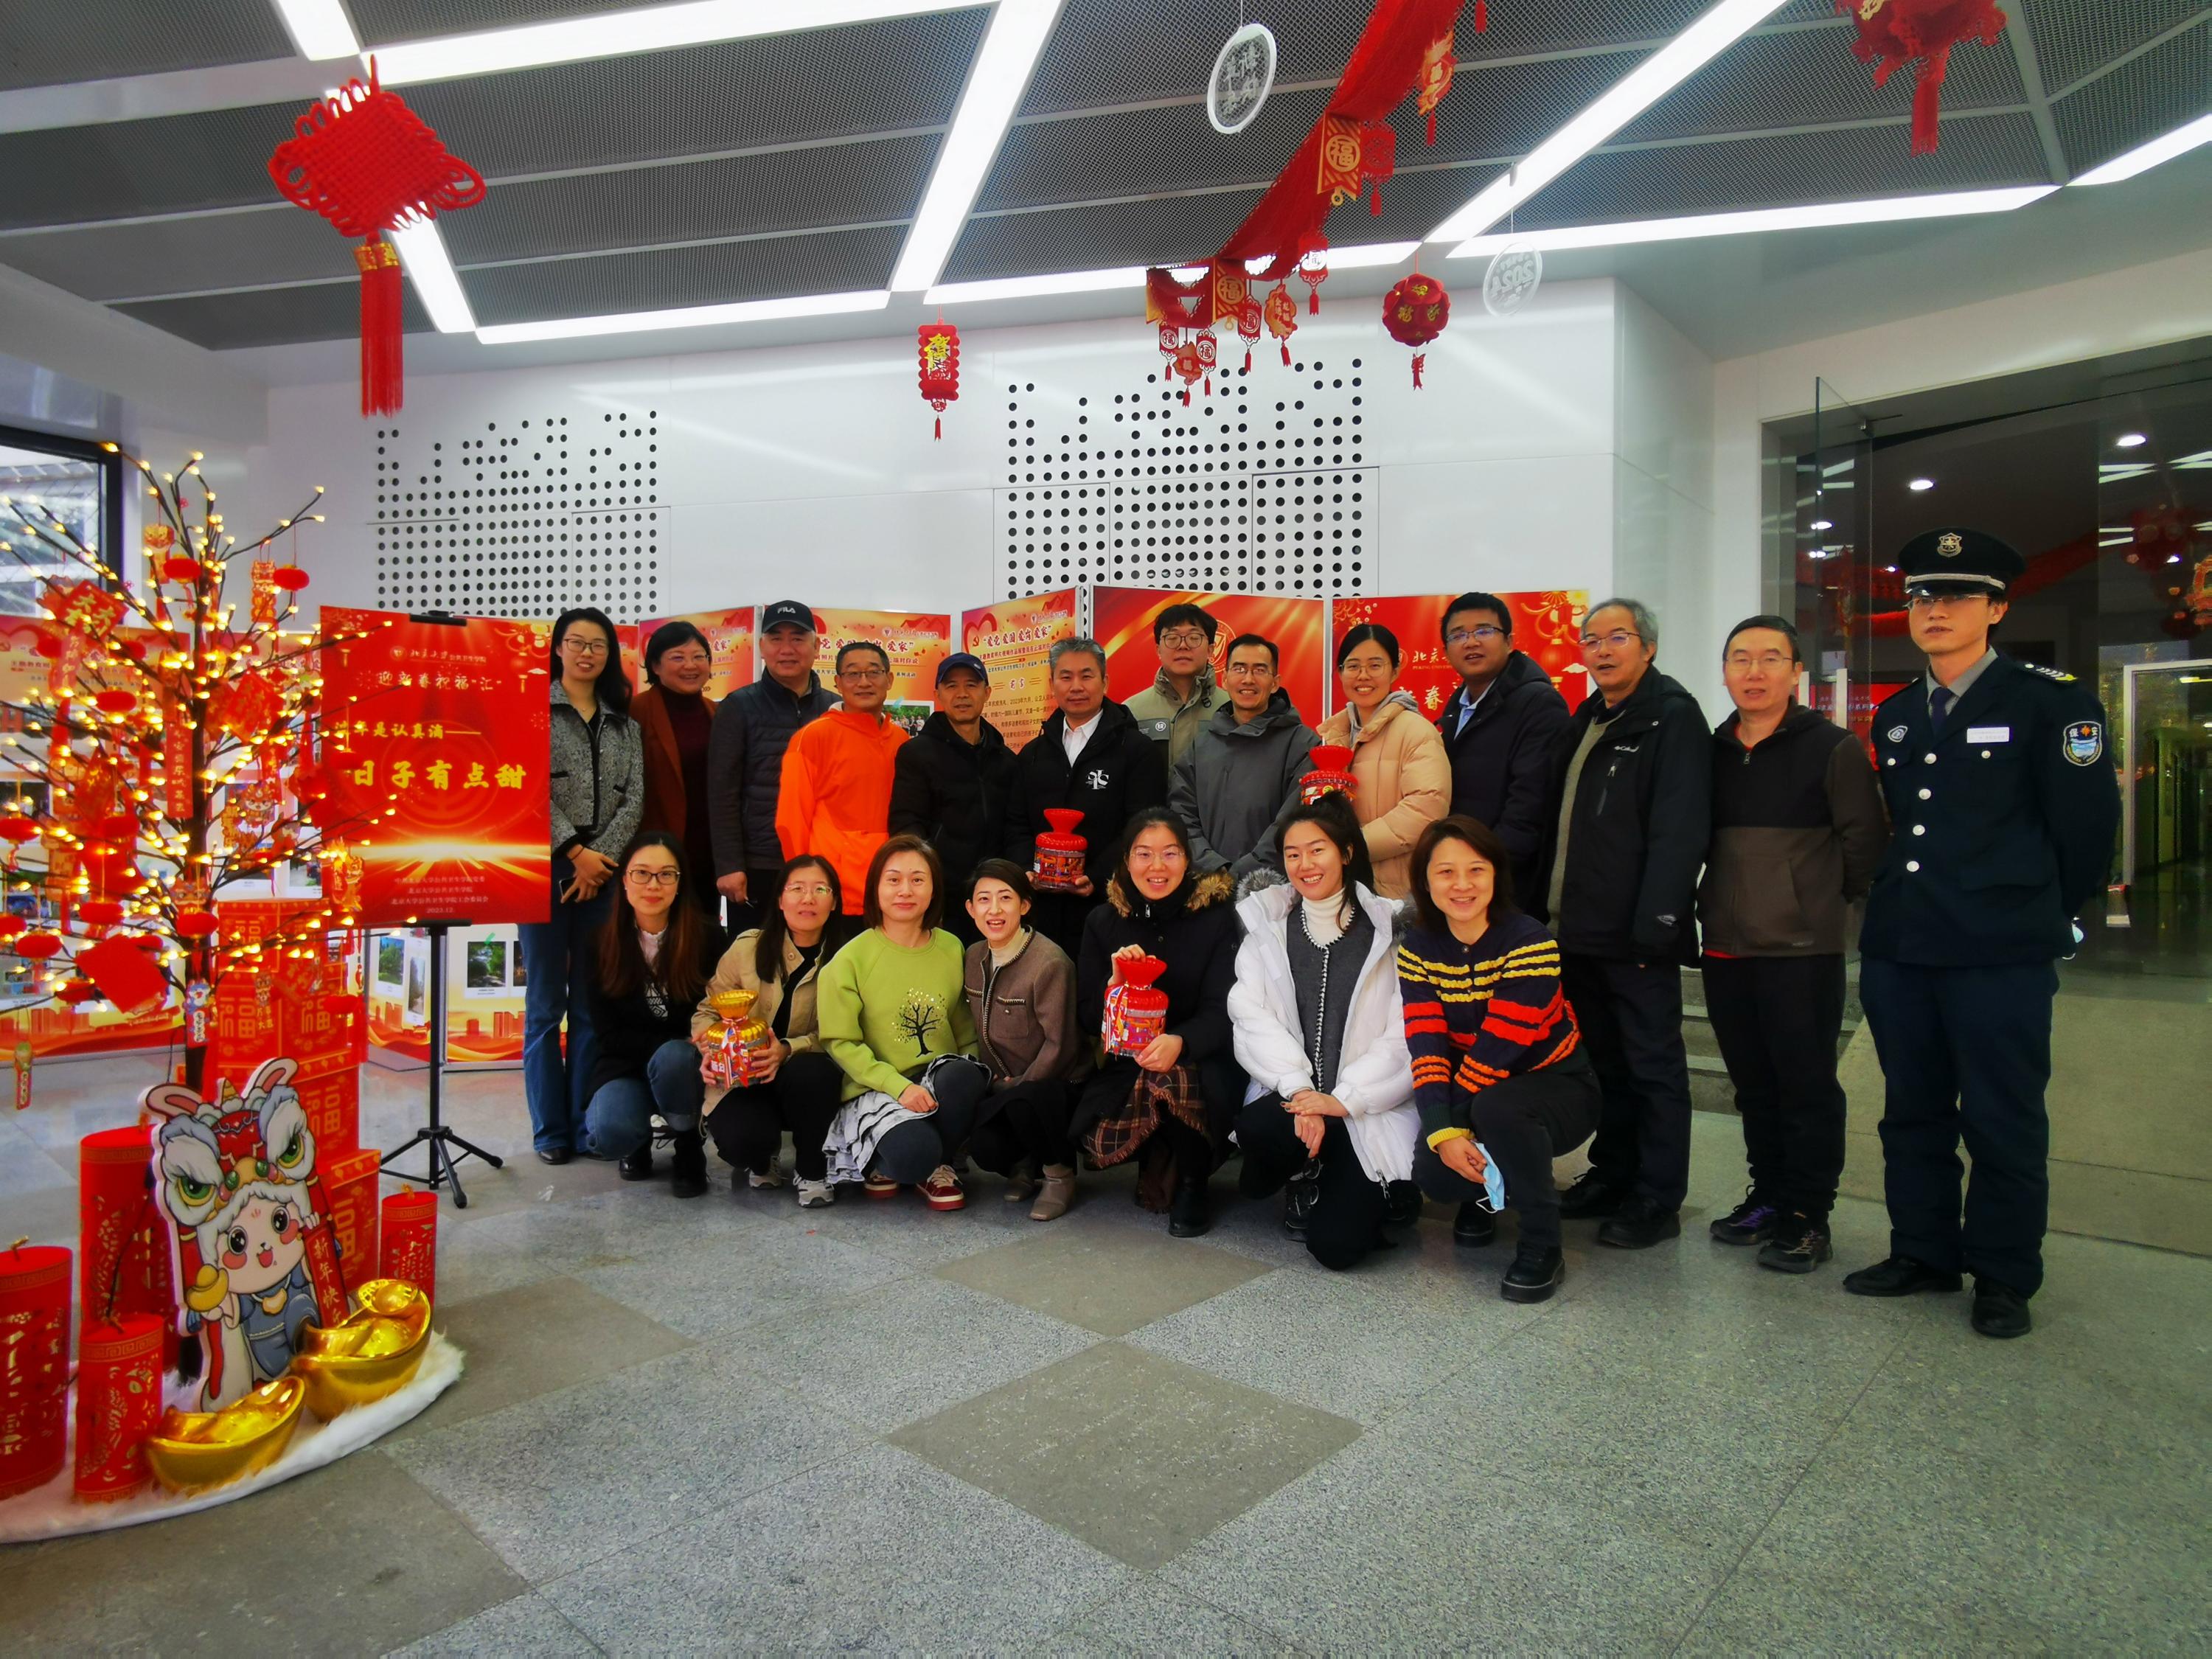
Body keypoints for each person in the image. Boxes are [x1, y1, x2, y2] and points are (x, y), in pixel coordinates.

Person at [1844, 529, 2118, 1340]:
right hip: (1905, 947)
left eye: (1958, 595)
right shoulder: (1897, 715)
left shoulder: (2051, 703)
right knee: (1912, 1111)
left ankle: (2002, 1272)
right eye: (1923, 596)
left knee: (2003, 1116)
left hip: (2001, 950)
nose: (1936, 610)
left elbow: (2086, 828)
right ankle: (1923, 1251)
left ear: (1997, 608)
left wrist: (2047, 916)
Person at [1700, 616, 1890, 1275]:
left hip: (1801, 951)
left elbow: (1865, 845)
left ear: (1796, 672)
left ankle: (1809, 1215)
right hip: (1725, 946)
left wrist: (1818, 906)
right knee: (1753, 1085)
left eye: (1770, 658)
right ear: (1725, 671)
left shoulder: (1832, 748)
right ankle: (1769, 1196)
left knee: (1805, 1087)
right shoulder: (1712, 750)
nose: (1754, 672)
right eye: (1741, 658)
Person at [1533, 597, 1711, 1251]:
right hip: (1577, 930)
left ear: (1649, 647)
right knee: (1606, 1062)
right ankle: (1613, 1173)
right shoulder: (1589, 717)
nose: (1603, 650)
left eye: (1618, 638)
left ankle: (1657, 1196)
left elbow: (1679, 831)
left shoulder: (1672, 717)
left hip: (1636, 934)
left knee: (1653, 1067)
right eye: (1592, 639)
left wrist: (1658, 924)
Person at [1399, 816, 1601, 1302]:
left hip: (1558, 1086)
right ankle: (1486, 1196)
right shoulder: (1417, 949)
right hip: (1478, 1088)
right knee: (1433, 1173)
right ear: (1425, 881)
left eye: (1476, 870)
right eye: (1446, 872)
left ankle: (1542, 1242)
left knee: (1498, 1109)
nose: (1462, 885)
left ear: (1496, 874)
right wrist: (1442, 1133)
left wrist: (1452, 1126)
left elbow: (1498, 1048)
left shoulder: (1530, 941)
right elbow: (1426, 1045)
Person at [1228, 793, 1420, 1270]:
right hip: (1295, 1099)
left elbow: (1404, 1035)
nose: (1305, 864)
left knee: (1336, 1248)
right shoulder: (1269, 928)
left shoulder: (1389, 931)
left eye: (1318, 850)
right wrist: (1300, 1092)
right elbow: (1251, 1017)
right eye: (1293, 854)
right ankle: (1303, 1171)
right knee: (1257, 1127)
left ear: (1346, 853)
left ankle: (1371, 1182)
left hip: (1364, 1104)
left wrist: (1342, 1100)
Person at [1074, 811, 1244, 1238]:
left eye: (1170, 854)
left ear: (1187, 859)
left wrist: (1180, 1041)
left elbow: (1224, 1009)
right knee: (1139, 1083)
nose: (1157, 866)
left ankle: (1193, 1183)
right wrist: (1114, 987)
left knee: (1171, 1076)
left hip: (1201, 1060)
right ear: (1126, 860)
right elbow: (1087, 1018)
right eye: (1143, 854)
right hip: (1129, 1066)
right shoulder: (1103, 922)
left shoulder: (1216, 918)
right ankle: (1162, 1158)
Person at [520, 607, 644, 1165]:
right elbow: (526, 787)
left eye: (598, 644)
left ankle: (582, 1122)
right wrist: (574, 853)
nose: (587, 653)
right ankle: (550, 1131)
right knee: (545, 1007)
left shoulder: (625, 724)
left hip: (606, 876)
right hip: (546, 868)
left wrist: (600, 863)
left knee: (593, 1005)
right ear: (558, 648)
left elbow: (634, 800)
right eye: (577, 642)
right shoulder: (533, 712)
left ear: (610, 653)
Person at [815, 835, 990, 1210]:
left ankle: (939, 1164)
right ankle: (893, 1157)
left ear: (934, 889)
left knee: (966, 1074)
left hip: (937, 1082)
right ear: (875, 889)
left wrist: (974, 1080)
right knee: (912, 1154)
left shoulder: (951, 948)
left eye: (918, 879)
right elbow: (840, 1043)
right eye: (893, 880)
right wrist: (898, 1087)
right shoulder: (849, 960)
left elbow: (963, 1026)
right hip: (878, 1087)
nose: (905, 890)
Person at [697, 854, 858, 1208]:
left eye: (820, 889)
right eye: (796, 888)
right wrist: (712, 1049)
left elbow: (845, 1033)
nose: (808, 898)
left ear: (834, 902)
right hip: (743, 1077)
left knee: (814, 1072)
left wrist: (787, 1048)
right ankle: (761, 1156)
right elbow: (708, 1010)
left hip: (803, 1078)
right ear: (781, 900)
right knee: (743, 1142)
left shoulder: (849, 959)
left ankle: (812, 1170)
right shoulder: (747, 948)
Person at [1004, 637, 1169, 957]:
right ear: (1052, 684)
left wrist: (1096, 876)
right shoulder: (1033, 754)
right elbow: (1015, 822)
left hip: (1111, 905)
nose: (1076, 686)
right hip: (1041, 909)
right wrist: (1027, 868)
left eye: (1087, 675)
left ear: (1105, 681)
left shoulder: (1137, 751)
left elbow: (1142, 827)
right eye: (1066, 677)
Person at [579, 835, 714, 1197]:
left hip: (683, 1066)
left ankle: (688, 1144)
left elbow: (714, 1014)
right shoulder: (598, 943)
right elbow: (608, 1035)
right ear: (624, 880)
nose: (654, 885)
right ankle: (636, 1142)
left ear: (680, 883)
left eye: (666, 874)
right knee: (609, 1134)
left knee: (674, 1058)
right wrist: (670, 1044)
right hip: (624, 1064)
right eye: (642, 873)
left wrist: (685, 1046)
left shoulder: (708, 938)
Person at [960, 860, 1084, 1221]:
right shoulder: (973, 956)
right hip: (1003, 1086)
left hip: (1055, 1086)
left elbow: (1061, 1046)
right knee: (984, 1146)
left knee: (1027, 1101)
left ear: (1024, 905)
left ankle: (1059, 1174)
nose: (994, 910)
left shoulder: (1049, 963)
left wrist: (1018, 1086)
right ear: (970, 908)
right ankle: (1024, 1164)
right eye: (984, 899)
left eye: (1005, 898)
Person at [707, 599, 837, 928]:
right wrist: (729, 864)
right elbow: (721, 793)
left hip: (823, 863)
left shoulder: (836, 709)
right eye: (776, 638)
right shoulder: (738, 707)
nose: (787, 649)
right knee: (755, 954)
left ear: (816, 647)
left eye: (798, 638)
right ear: (762, 647)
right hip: (759, 863)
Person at [1434, 591, 1571, 900]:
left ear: (1509, 641)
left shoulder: (1539, 704)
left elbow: (1529, 811)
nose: (1471, 642)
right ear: (1446, 650)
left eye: (1484, 631)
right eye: (1459, 635)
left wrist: (1482, 874)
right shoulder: (1457, 706)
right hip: (1461, 880)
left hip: (1505, 886)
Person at [1312, 623, 1450, 899]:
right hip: (1343, 885)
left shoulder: (1416, 730)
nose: (1363, 675)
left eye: (1375, 666)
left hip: (1396, 891)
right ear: (1340, 672)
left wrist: (1353, 846)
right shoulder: (1334, 736)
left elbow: (1426, 807)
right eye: (1353, 666)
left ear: (1395, 671)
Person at [889, 653, 1017, 943]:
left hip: (994, 897)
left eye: (971, 685)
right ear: (938, 694)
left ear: (987, 692)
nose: (962, 694)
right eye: (951, 686)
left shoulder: (1006, 760)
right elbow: (906, 824)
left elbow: (1015, 825)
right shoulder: (916, 754)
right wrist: (925, 882)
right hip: (941, 896)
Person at [1170, 632, 1319, 880]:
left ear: (1275, 683)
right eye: (1239, 669)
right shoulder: (1202, 746)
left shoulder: (1302, 744)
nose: (1248, 679)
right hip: (1208, 884)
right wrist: (1212, 866)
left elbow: (1295, 820)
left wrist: (1243, 872)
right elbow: (1181, 812)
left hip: (1277, 886)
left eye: (1259, 670)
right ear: (1225, 679)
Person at [776, 641, 908, 916]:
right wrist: (804, 885)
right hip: (833, 891)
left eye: (873, 672)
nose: (864, 682)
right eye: (853, 674)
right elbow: (791, 820)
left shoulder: (901, 740)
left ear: (889, 679)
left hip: (892, 888)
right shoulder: (812, 737)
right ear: (837, 682)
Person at [630, 620, 721, 930]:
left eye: (699, 657)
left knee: (703, 935)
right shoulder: (636, 712)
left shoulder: (717, 712)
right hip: (655, 851)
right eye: (678, 657)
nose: (690, 666)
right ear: (655, 665)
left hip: (707, 852)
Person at [1124, 602, 1220, 768]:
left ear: (1210, 649)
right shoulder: (1131, 711)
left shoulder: (1231, 708)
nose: (1183, 646)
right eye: (1172, 638)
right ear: (1158, 650)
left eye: (1194, 638)